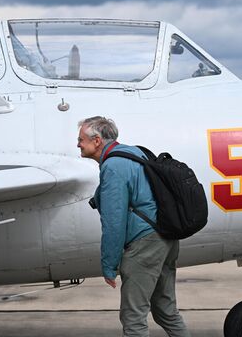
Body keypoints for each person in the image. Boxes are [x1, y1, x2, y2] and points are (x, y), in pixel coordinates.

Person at [77, 116, 190, 337]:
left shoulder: (113, 166)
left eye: (81, 139)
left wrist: (109, 265)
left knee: (133, 318)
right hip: (166, 239)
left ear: (97, 140)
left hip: (145, 246)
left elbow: (114, 222)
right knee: (166, 311)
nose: (78, 144)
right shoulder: (134, 152)